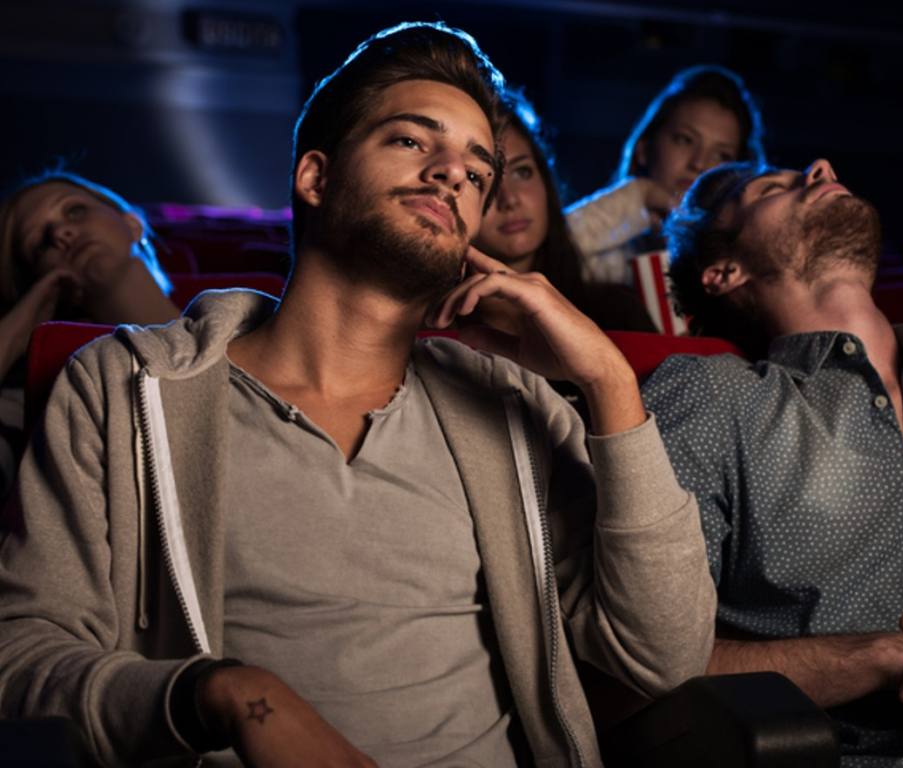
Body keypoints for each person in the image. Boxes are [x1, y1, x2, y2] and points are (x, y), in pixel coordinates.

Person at [0, 21, 715, 768]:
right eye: (412, 141)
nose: (451, 174)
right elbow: (18, 659)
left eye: (477, 173)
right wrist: (226, 697)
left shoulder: (515, 404)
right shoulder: (120, 387)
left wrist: (605, 380)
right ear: (315, 177)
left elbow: (663, 658)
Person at [642, 157, 903, 766]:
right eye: (771, 188)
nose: (820, 167)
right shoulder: (713, 396)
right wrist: (884, 656)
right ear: (724, 272)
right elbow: (642, 660)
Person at [0, 171, 178, 498]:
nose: (62, 233)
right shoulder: (32, 403)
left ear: (132, 224)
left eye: (74, 211)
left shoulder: (242, 328)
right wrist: (13, 336)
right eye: (40, 245)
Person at [565, 65, 765, 290]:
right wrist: (638, 194)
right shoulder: (605, 262)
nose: (699, 163)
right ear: (644, 147)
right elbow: (540, 257)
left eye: (722, 155)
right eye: (684, 140)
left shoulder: (743, 274)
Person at [472, 88, 655, 333]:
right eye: (486, 181)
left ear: (545, 181)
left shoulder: (616, 312)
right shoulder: (432, 330)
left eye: (522, 172)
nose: (510, 199)